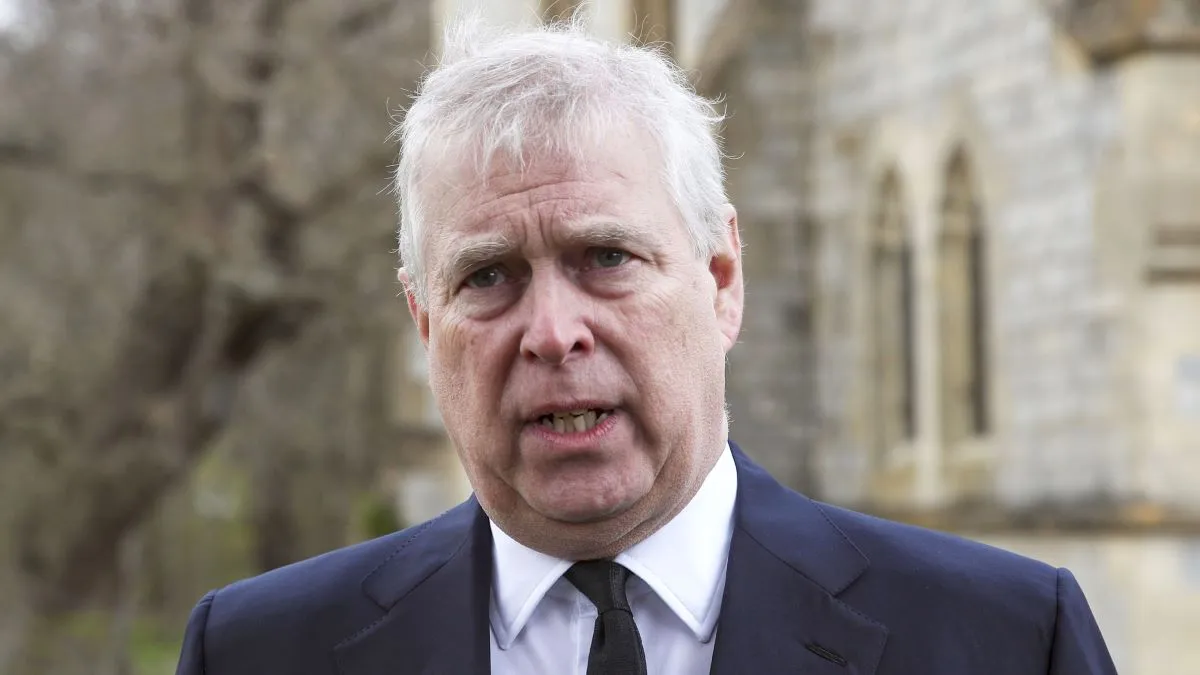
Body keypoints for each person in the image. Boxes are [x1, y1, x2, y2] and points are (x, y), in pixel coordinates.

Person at [175, 15, 1119, 675]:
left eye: (606, 257)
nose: (552, 332)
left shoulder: (1003, 640)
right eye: (488, 277)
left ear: (720, 279)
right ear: (426, 324)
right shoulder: (258, 651)